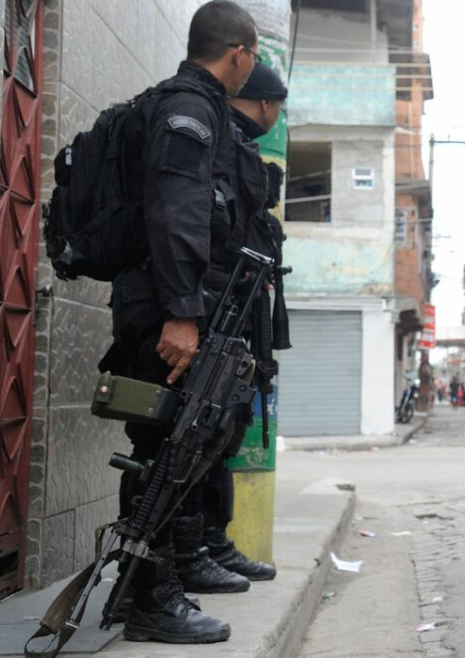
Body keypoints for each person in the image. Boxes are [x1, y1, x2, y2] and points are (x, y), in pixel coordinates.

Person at [99, 1, 262, 644]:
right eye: (252, 57)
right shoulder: (188, 109)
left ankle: (150, 589)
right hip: (166, 307)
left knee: (175, 448)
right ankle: (149, 599)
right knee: (161, 451)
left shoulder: (196, 106)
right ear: (238, 53)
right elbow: (176, 212)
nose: (250, 66)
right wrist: (182, 314)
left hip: (172, 301)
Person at [193, 61, 290, 588]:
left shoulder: (235, 145)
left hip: (228, 313)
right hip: (206, 313)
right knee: (194, 438)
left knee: (220, 437)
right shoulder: (217, 138)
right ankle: (182, 560)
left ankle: (211, 544)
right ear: (267, 104)